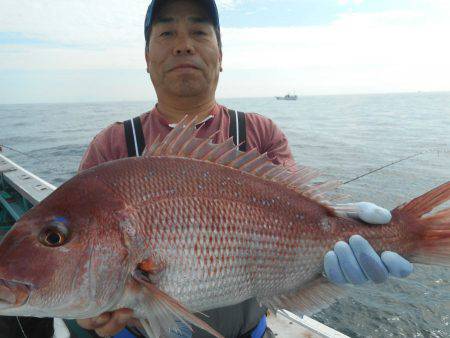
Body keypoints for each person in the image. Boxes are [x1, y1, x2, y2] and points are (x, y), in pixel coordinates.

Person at [75, 0, 413, 337]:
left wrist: (342, 228)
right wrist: (86, 312)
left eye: (198, 31)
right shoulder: (112, 146)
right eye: (166, 33)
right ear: (147, 59)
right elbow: (77, 257)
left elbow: (304, 213)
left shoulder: (259, 133)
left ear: (220, 57)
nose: (183, 45)